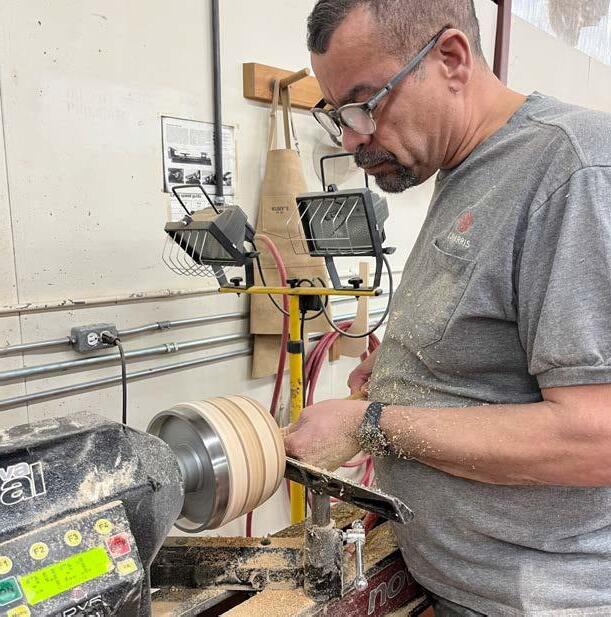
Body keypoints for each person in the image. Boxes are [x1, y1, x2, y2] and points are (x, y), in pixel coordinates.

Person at [283, 1, 611, 615]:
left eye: (364, 104)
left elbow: (597, 437)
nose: (352, 138)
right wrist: (402, 374)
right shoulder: (465, 166)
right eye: (338, 115)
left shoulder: (574, 171)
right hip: (456, 583)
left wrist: (371, 424)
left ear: (452, 59)